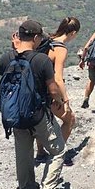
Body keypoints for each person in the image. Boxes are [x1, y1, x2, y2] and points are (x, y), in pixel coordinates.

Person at [0, 20, 67, 189]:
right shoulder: (41, 60)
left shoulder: (6, 58)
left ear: (18, 36)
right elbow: (52, 89)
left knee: (23, 155)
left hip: (16, 116)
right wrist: (60, 101)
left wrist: (14, 50)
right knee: (58, 151)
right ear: (36, 38)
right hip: (38, 115)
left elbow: (6, 75)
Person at [34, 17, 81, 166]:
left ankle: (40, 153)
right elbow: (58, 78)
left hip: (36, 90)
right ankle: (59, 153)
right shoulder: (60, 48)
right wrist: (65, 100)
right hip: (51, 92)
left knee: (41, 121)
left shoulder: (47, 42)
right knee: (70, 119)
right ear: (73, 32)